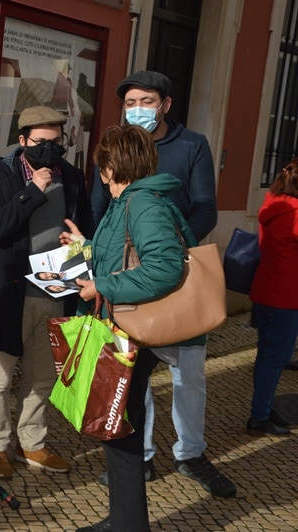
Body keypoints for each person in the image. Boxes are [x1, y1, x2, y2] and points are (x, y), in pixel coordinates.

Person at [90, 70, 236, 498]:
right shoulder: (116, 146)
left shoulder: (191, 146)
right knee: (134, 376)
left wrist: (171, 245)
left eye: (147, 100)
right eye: (130, 102)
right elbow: (102, 209)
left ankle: (191, 454)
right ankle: (144, 456)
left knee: (189, 376)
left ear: (166, 105)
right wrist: (98, 250)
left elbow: (205, 207)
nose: (138, 108)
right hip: (130, 283)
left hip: (174, 276)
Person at [62, 124, 201, 532]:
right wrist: (85, 246)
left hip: (135, 331)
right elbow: (123, 255)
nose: (100, 175)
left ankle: (127, 523)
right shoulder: (129, 202)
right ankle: (125, 520)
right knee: (121, 426)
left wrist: (102, 286)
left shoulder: (141, 204)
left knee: (119, 425)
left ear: (110, 167)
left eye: (101, 167)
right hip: (126, 328)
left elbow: (165, 268)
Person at [0, 106, 93, 479]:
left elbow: (85, 227)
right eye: (41, 142)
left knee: (42, 376)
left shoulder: (72, 177)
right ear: (22, 140)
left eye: (56, 141)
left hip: (56, 291)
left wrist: (81, 248)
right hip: (10, 293)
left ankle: (32, 443)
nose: (49, 149)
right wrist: (32, 192)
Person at [247, 157, 298, 437]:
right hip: (286, 298)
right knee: (275, 359)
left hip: (265, 291)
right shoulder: (295, 213)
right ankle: (260, 416)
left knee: (266, 356)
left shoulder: (272, 204)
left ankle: (264, 407)